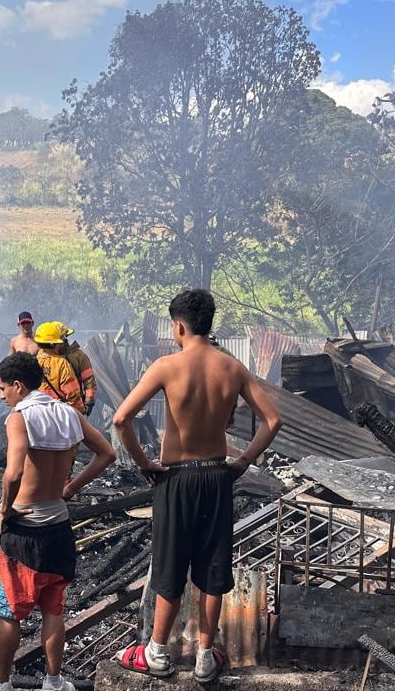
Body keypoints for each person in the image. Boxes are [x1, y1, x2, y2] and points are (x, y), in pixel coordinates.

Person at [111, 289, 281, 683]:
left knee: (170, 566)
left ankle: (156, 651)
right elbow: (273, 421)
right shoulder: (232, 367)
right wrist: (241, 463)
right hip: (217, 476)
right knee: (212, 568)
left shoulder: (166, 367)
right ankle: (206, 656)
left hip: (176, 477)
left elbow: (121, 420)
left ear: (180, 325)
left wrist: (144, 464)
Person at [0, 353, 117, 691]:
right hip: (59, 526)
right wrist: (71, 487)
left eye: (2, 388)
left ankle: (2, 684)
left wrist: (4, 508)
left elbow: (13, 473)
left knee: (10, 612)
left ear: (18, 385)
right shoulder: (68, 412)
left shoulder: (18, 418)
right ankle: (54, 682)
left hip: (24, 531)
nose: (1, 395)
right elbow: (107, 454)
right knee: (53, 610)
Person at [32, 322, 84, 413]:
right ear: (53, 344)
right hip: (58, 414)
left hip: (38, 412)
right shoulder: (61, 363)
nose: (65, 342)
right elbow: (73, 394)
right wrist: (80, 412)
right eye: (63, 339)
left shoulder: (35, 359)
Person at [57, 324, 97, 416]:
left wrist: (89, 402)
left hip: (75, 406)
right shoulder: (48, 359)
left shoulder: (79, 356)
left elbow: (89, 381)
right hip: (53, 408)